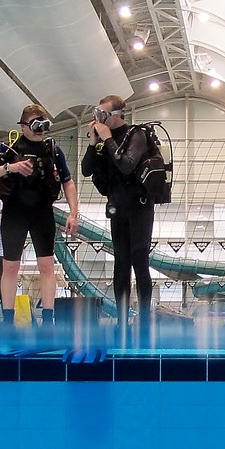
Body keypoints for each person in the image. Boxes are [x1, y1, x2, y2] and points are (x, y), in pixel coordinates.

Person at [0, 104, 78, 327]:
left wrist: (74, 213)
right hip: (15, 212)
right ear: (23, 127)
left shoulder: (54, 150)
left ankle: (48, 318)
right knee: (10, 266)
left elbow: (68, 182)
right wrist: (9, 168)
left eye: (44, 124)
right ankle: (7, 318)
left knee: (47, 265)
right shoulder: (7, 150)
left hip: (42, 212)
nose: (41, 130)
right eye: (36, 125)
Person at [81, 95, 154, 333]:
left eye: (102, 114)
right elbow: (85, 170)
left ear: (117, 115)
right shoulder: (102, 141)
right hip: (118, 207)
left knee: (139, 260)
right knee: (121, 263)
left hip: (139, 207)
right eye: (96, 114)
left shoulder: (137, 135)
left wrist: (108, 138)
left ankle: (144, 320)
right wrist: (94, 143)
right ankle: (122, 321)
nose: (97, 119)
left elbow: (126, 165)